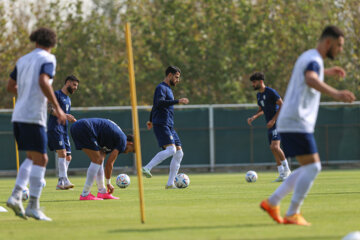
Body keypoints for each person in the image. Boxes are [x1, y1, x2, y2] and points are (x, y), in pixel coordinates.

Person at [260, 26, 355, 226]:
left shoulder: (309, 57)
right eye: (339, 45)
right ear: (328, 42)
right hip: (297, 120)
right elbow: (309, 78)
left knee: (307, 167)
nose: (340, 50)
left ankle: (273, 202)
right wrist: (336, 93)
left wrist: (326, 71)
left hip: (293, 120)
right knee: (313, 168)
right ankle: (293, 212)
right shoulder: (314, 60)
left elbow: (310, 72)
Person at [6, 27, 67, 221]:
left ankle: (17, 196)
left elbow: (10, 86)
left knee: (33, 158)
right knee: (42, 159)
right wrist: (57, 108)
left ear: (35, 41)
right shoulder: (48, 59)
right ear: (53, 42)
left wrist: (26, 95)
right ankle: (32, 205)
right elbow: (43, 81)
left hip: (18, 115)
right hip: (33, 116)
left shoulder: (23, 59)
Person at [142, 66, 189, 189]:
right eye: (176, 77)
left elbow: (155, 106)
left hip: (168, 124)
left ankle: (170, 183)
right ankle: (147, 167)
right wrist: (177, 101)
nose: (178, 80)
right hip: (162, 124)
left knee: (179, 153)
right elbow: (159, 102)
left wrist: (150, 119)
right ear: (169, 75)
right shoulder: (161, 87)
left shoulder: (168, 89)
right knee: (171, 150)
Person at [70, 118, 135, 200]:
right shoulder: (122, 141)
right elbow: (109, 164)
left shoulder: (114, 139)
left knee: (99, 160)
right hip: (84, 127)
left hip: (80, 126)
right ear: (130, 143)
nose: (127, 152)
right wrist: (108, 183)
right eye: (131, 150)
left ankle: (102, 192)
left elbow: (102, 157)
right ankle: (85, 194)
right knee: (97, 159)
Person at [247, 72, 291, 182]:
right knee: (272, 148)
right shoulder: (259, 95)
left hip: (278, 122)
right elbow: (261, 109)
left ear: (260, 82)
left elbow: (282, 105)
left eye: (254, 82)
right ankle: (281, 174)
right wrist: (254, 117)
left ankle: (288, 170)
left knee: (275, 146)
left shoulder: (271, 92)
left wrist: (273, 119)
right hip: (270, 124)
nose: (253, 84)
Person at [47, 75, 79, 190]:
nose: (75, 88)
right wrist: (64, 116)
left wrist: (71, 120)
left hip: (63, 130)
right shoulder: (57, 94)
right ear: (68, 83)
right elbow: (49, 109)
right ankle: (63, 180)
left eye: (76, 86)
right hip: (55, 128)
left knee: (68, 157)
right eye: (74, 85)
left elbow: (65, 117)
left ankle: (61, 181)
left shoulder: (68, 99)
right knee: (63, 154)